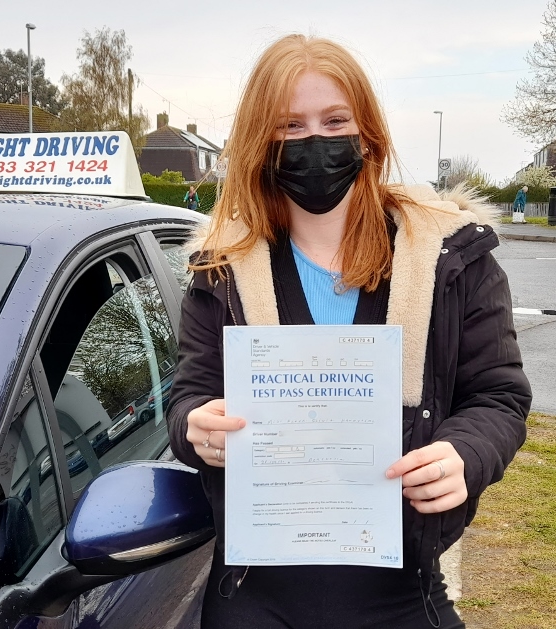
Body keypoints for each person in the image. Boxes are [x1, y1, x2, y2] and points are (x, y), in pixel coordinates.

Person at [167, 34, 531, 629]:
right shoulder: (221, 271)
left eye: (335, 120)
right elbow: (189, 397)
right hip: (257, 590)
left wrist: (466, 454)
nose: (315, 142)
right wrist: (195, 429)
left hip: (402, 586)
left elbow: (500, 396)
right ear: (260, 142)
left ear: (369, 134)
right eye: (289, 126)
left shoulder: (451, 259)